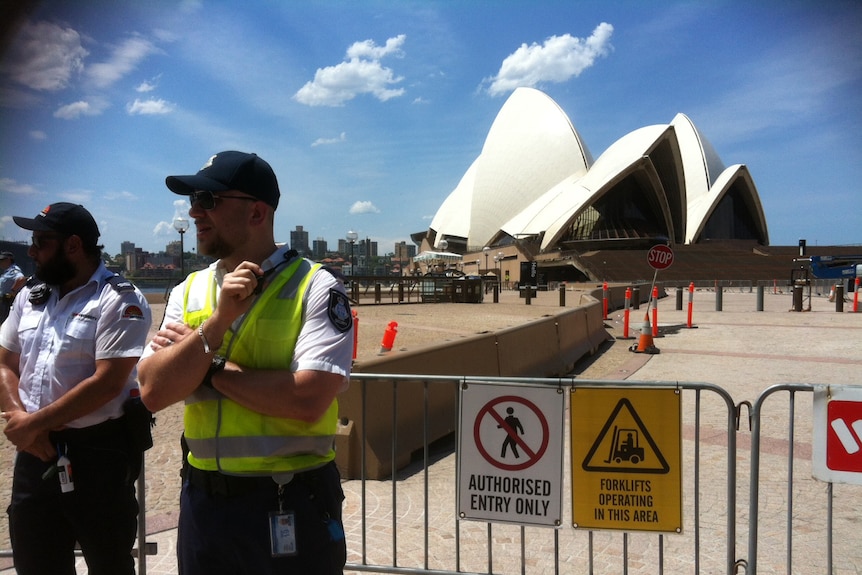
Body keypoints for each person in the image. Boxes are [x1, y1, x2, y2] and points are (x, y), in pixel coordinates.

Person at [137, 151, 354, 574]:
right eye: (193, 200)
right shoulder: (188, 290)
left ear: (257, 212)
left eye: (209, 199)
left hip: (291, 502)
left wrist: (207, 368)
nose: (194, 211)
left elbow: (308, 399)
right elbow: (153, 391)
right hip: (204, 507)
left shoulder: (317, 287)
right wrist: (217, 323)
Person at [0, 202, 153, 575]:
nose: (32, 251)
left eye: (40, 241)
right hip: (35, 454)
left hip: (98, 456)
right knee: (35, 561)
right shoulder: (30, 296)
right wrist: (23, 421)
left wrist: (33, 425)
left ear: (72, 245)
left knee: (108, 563)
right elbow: (4, 362)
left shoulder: (119, 299)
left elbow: (107, 382)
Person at [0, 251, 26, 325]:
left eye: (1, 260)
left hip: (7, 302)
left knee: (4, 323)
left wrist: (13, 291)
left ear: (8, 260)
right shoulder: (7, 272)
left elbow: (22, 279)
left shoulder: (14, 271)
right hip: (3, 302)